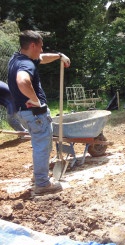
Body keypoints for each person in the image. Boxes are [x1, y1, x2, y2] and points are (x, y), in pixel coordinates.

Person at [8, 30, 70, 195]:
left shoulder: (18, 58)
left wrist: (58, 55)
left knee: (39, 145)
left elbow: (42, 58)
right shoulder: (26, 65)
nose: (42, 50)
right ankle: (42, 183)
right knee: (42, 146)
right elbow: (22, 81)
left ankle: (38, 177)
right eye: (41, 47)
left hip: (23, 113)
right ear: (33, 45)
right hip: (35, 113)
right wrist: (36, 101)